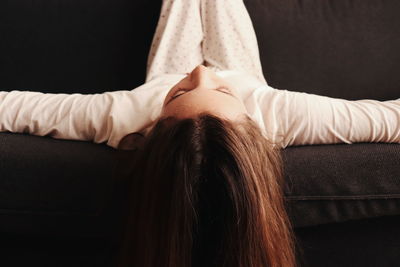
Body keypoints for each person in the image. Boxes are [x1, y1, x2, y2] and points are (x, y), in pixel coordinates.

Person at [0, 0, 399, 266]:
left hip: (163, 80)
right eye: (219, 90)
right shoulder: (277, 114)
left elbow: (15, 108)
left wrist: (176, 89)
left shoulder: (127, 117)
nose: (201, 73)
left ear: (153, 129)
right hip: (241, 79)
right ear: (254, 128)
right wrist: (227, 88)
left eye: (185, 92)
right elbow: (387, 120)